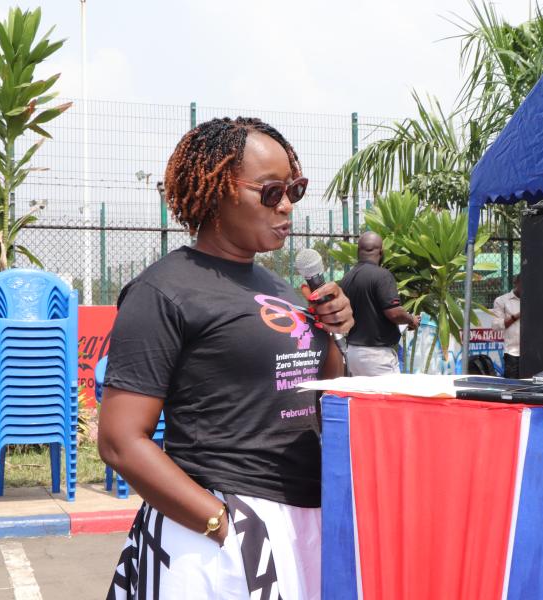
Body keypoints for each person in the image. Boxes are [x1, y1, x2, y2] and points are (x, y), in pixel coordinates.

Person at [98, 117, 353, 600]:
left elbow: (317, 399)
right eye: (271, 191)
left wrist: (335, 332)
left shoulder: (283, 289)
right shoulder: (164, 290)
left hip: (302, 516)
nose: (286, 206)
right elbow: (119, 440)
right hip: (219, 528)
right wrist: (218, 523)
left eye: (294, 190)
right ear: (217, 193)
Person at [339, 231, 420, 376]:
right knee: (390, 398)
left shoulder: (347, 278)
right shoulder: (382, 275)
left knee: (364, 398)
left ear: (358, 251)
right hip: (376, 356)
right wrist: (411, 319)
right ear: (381, 252)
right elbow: (394, 313)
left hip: (353, 353)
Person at [492, 275, 521, 379]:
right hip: (513, 353)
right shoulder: (502, 301)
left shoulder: (535, 299)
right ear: (516, 283)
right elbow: (496, 326)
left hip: (534, 352)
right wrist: (516, 316)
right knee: (513, 387)